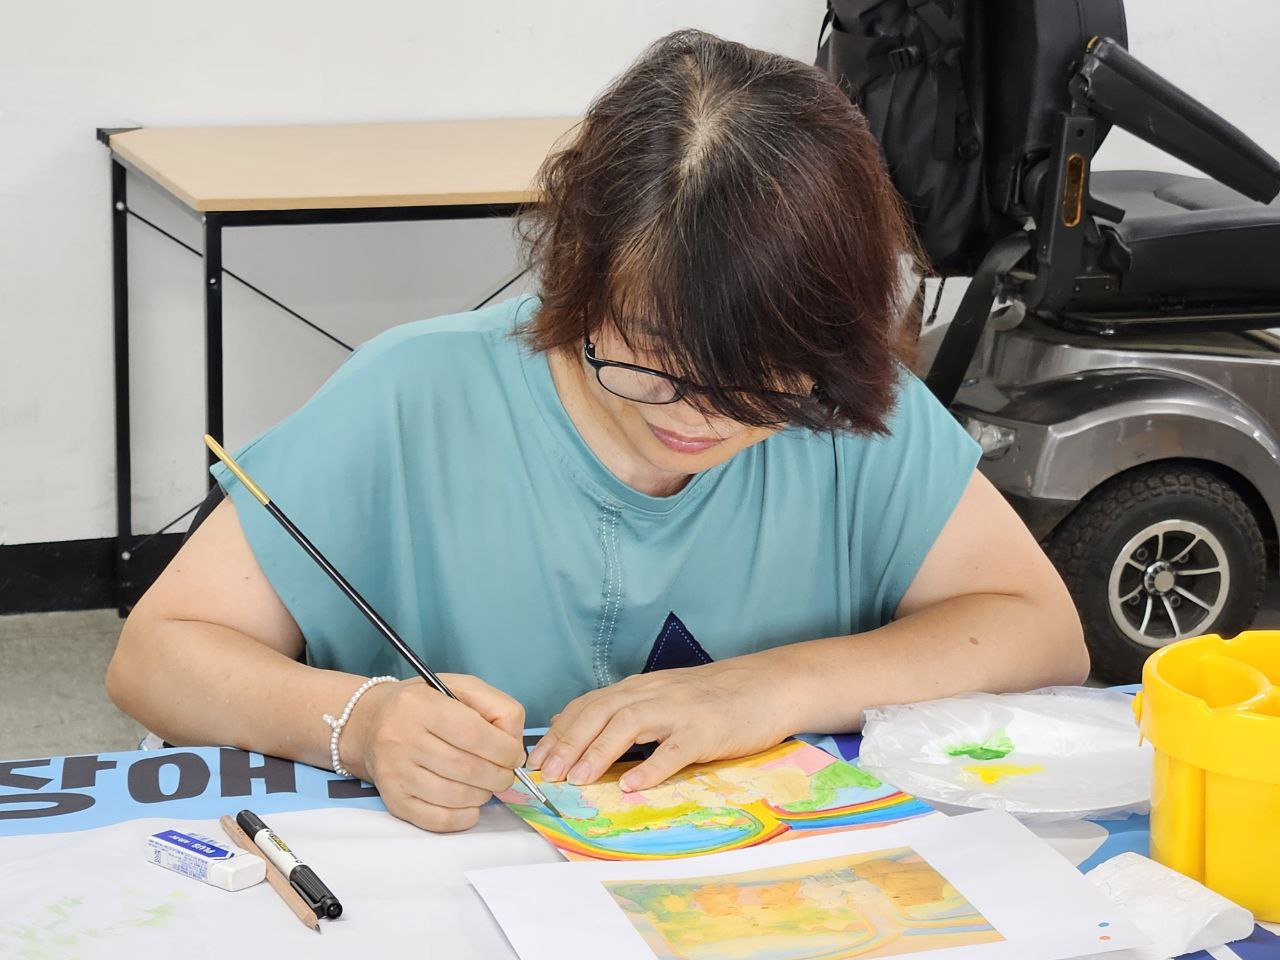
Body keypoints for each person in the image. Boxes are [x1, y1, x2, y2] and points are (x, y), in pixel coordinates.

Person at [107, 30, 1087, 834]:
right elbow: (156, 656)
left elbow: (1039, 632)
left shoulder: (842, 407)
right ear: (577, 274)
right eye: (654, 357)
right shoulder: (414, 395)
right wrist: (361, 725)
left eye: (761, 379)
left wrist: (771, 686)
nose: (700, 414)